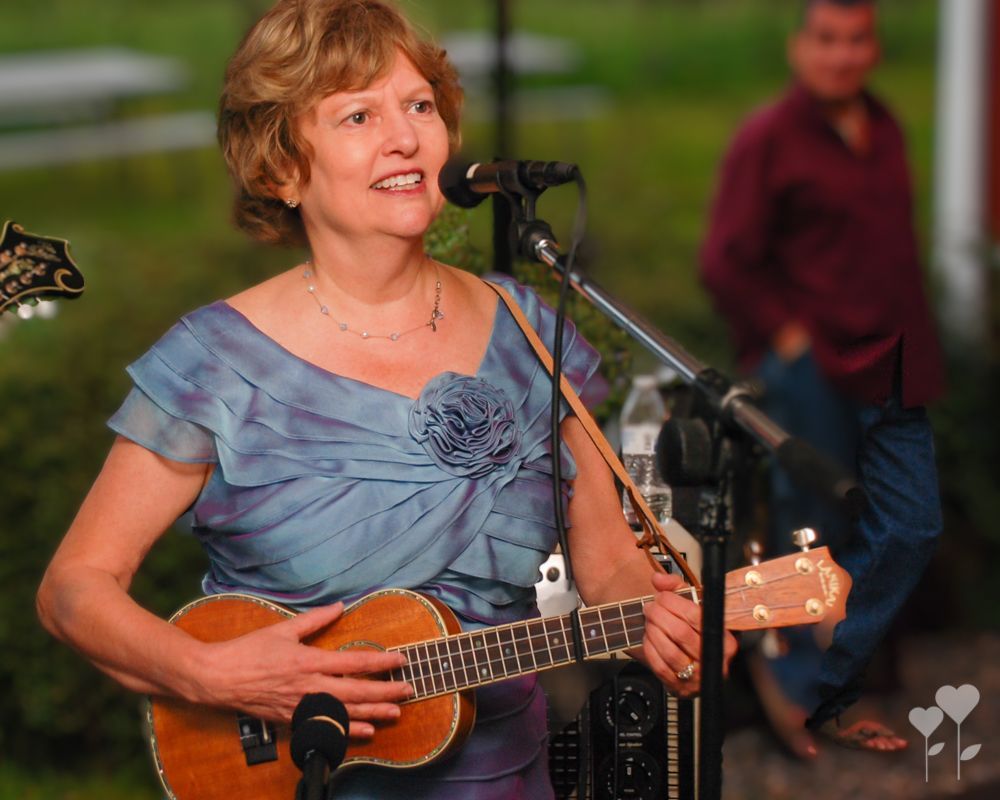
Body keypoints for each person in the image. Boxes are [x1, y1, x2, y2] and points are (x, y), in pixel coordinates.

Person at [36, 1, 735, 797]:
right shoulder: (214, 362)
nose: (404, 137)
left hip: (507, 776)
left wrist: (669, 622)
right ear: (280, 168)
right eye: (358, 115)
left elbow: (608, 561)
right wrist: (206, 673)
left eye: (420, 105)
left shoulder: (532, 332)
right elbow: (73, 588)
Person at [700, 0, 943, 757]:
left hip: (895, 360)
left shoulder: (884, 126)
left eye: (857, 40)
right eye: (826, 39)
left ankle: (828, 654)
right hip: (814, 367)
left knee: (911, 521)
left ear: (873, 47)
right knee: (810, 525)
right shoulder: (769, 138)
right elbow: (724, 259)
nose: (842, 55)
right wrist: (786, 337)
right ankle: (799, 688)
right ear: (798, 46)